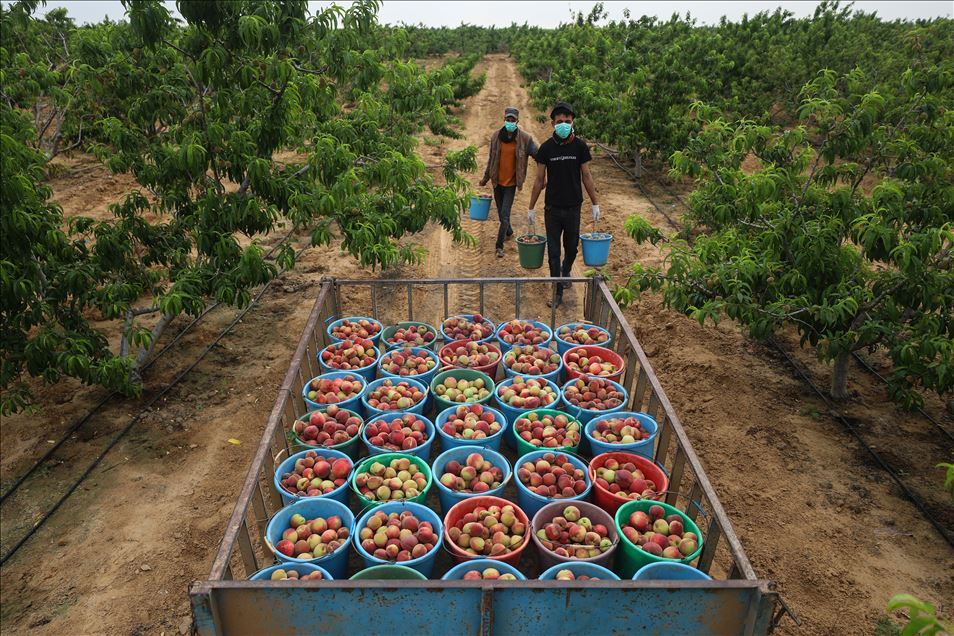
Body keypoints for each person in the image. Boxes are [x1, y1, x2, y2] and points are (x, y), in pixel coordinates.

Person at [527, 101, 600, 307]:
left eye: (567, 121)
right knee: (553, 253)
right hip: (552, 209)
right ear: (552, 123)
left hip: (573, 208)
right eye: (559, 121)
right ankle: (557, 291)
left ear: (572, 121)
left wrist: (595, 203)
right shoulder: (546, 149)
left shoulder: (580, 147)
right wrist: (531, 207)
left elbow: (586, 175)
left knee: (571, 248)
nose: (564, 124)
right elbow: (539, 180)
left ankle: (566, 270)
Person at [479, 106, 538, 258]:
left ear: (517, 121)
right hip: (497, 181)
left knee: (504, 214)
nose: (510, 122)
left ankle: (499, 246)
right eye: (508, 119)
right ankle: (509, 231)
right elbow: (491, 159)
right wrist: (485, 178)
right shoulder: (496, 137)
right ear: (504, 119)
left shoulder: (525, 139)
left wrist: (543, 173)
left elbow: (538, 155)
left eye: (513, 120)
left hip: (511, 183)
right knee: (501, 213)